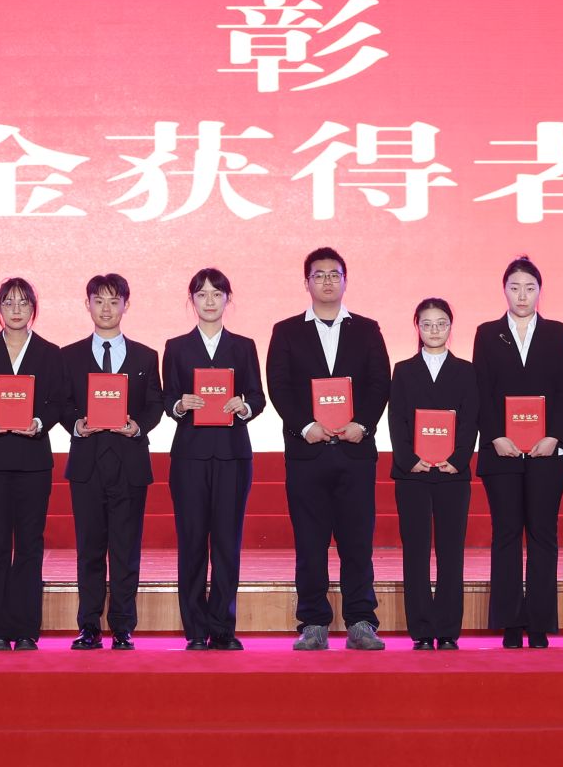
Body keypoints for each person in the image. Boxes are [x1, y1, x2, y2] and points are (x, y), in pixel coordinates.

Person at [265, 247, 390, 651]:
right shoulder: (286, 331)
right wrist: (305, 427)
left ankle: (361, 621)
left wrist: (362, 425)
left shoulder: (367, 329)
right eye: (318, 275)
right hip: (308, 454)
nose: (327, 281)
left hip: (355, 453)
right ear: (306, 283)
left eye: (334, 274)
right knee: (310, 542)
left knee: (358, 543)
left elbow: (380, 383)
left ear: (345, 280)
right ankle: (313, 622)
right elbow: (279, 386)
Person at [58, 273, 165, 651]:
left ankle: (122, 626)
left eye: (113, 301)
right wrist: (76, 423)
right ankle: (88, 626)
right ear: (87, 304)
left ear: (126, 305)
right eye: (98, 301)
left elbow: (155, 403)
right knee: (89, 550)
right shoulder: (69, 355)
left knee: (125, 550)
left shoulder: (145, 356)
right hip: (87, 465)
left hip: (129, 466)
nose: (106, 309)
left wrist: (139, 426)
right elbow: (62, 403)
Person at [159, 268, 264, 651]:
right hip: (190, 455)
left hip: (233, 455)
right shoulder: (176, 347)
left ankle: (223, 628)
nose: (209, 301)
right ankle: (195, 630)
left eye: (216, 294)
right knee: (191, 542)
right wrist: (179, 404)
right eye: (201, 294)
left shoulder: (244, 347)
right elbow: (166, 397)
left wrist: (243, 405)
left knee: (226, 543)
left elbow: (258, 396)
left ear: (227, 300)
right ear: (191, 301)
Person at [473, 257, 563, 649]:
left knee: (543, 534)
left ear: (539, 291)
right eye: (514, 287)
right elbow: (481, 389)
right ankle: (511, 622)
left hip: (546, 452)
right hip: (502, 452)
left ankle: (540, 621)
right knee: (507, 533)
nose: (522, 295)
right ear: (504, 290)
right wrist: (495, 436)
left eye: (530, 288)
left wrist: (555, 436)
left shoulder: (556, 333)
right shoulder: (487, 333)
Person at [0, 277, 67, 650]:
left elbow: (58, 401)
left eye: (23, 303)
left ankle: (25, 630)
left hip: (33, 461)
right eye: (8, 303)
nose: (16, 310)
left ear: (33, 309)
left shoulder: (50, 353)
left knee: (29, 545)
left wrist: (39, 422)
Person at [385, 298, 478, 650]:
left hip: (453, 473)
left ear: (451, 327)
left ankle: (448, 629)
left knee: (451, 553)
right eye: (427, 324)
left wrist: (459, 458)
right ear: (417, 327)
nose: (434, 330)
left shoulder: (466, 371)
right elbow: (397, 420)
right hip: (413, 475)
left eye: (441, 323)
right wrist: (410, 459)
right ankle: (422, 630)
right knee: (416, 552)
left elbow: (470, 418)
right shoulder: (403, 370)